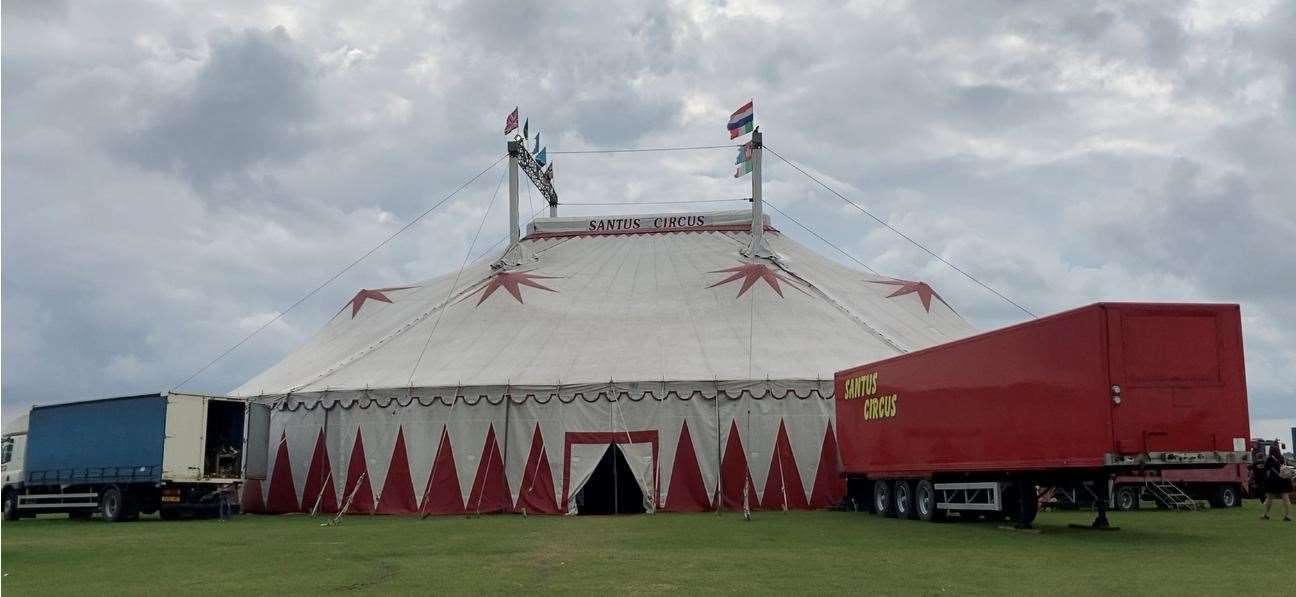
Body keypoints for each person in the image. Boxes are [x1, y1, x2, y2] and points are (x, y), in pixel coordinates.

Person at [1260, 444, 1292, 521]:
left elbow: (1266, 470)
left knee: (1269, 498)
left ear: (1270, 451)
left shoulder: (1269, 459)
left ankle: (1266, 514)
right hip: (1284, 480)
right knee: (1286, 498)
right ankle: (1288, 515)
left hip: (1273, 480)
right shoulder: (1283, 458)